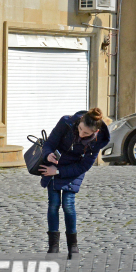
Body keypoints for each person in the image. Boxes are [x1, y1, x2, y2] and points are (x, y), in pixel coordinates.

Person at [38, 108, 110, 259]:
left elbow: (84, 166)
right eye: (80, 129)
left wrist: (57, 172)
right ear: (80, 121)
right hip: (55, 164)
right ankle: (53, 247)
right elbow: (49, 143)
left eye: (86, 133)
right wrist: (48, 154)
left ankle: (73, 246)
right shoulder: (66, 122)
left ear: (95, 132)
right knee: (53, 204)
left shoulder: (98, 140)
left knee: (68, 205)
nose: (81, 134)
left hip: (73, 170)